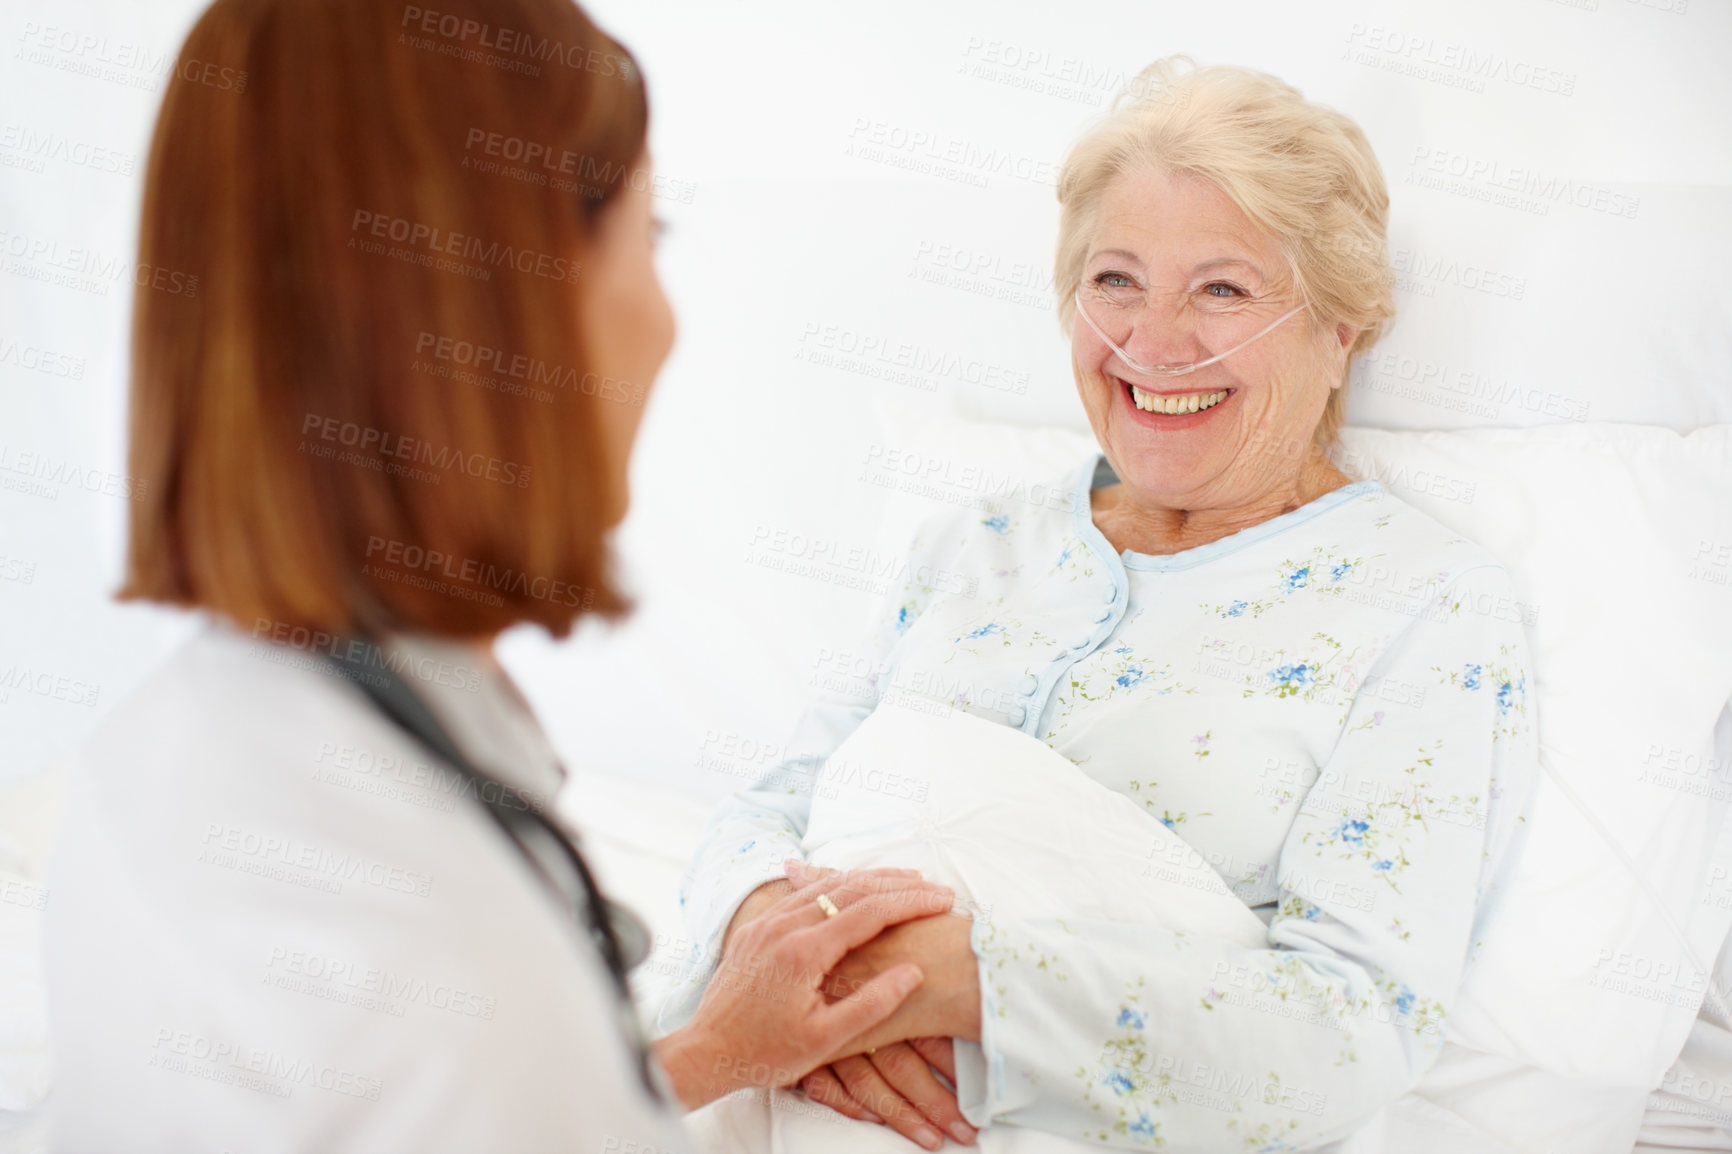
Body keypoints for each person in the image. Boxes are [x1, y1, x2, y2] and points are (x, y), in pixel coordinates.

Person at [42, 1, 957, 1149]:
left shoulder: (177, 739)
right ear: (509, 305)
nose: (666, 319)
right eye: (651, 231)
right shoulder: (441, 955)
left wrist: (701, 1053)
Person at [671, 58, 1541, 1150]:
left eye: (1221, 289)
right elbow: (768, 812)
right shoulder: (976, 543)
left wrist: (966, 984)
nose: (1151, 341)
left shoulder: (1426, 604)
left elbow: (1351, 1027)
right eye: (1115, 280)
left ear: (1342, 327)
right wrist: (772, 943)